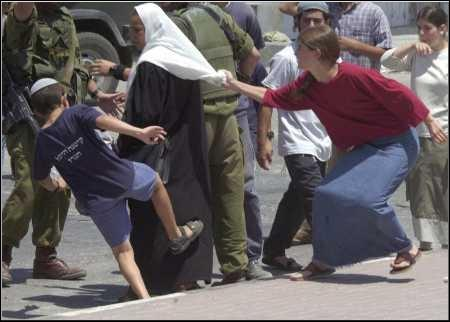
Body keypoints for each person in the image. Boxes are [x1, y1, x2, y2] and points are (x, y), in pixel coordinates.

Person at [222, 24, 447, 279]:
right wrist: (236, 86)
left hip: (396, 144)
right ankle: (323, 261)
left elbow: (401, 94)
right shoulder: (308, 84)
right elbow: (273, 96)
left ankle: (405, 248)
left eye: (300, 48)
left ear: (317, 53)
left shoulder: (354, 76)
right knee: (325, 194)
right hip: (366, 147)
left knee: (369, 199)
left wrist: (429, 120)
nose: (295, 52)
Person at [30, 78, 204, 299]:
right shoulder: (75, 113)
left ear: (37, 112)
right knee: (155, 183)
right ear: (63, 100)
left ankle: (145, 300)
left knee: (123, 251)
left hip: (96, 200)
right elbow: (105, 122)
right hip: (121, 177)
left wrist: (56, 185)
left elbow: (41, 177)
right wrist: (139, 133)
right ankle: (176, 235)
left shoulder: (42, 141)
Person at [1, 2, 120, 285]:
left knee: (60, 187)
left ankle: (46, 256)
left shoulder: (64, 17)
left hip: (62, 114)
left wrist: (97, 93)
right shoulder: (25, 14)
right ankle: (3, 254)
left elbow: (74, 63)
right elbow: (20, 20)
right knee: (29, 186)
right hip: (28, 116)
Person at [116, 3, 231, 296]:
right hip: (184, 151)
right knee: (186, 208)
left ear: (153, 28)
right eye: (131, 30)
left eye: (138, 30)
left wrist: (124, 128)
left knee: (150, 216)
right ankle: (187, 276)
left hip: (156, 151)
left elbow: (146, 113)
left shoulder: (152, 63)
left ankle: (154, 282)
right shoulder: (179, 58)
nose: (133, 36)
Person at [169, 2, 261, 285]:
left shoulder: (176, 23)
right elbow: (253, 55)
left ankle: (193, 271)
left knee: (190, 192)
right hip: (228, 116)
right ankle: (235, 264)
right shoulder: (217, 15)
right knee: (231, 193)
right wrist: (239, 83)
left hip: (198, 120)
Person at [258, 2, 332, 272]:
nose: (311, 26)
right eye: (306, 21)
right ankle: (325, 257)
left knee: (296, 201)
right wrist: (264, 139)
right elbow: (267, 97)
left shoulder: (330, 57)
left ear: (327, 23)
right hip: (296, 141)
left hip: (321, 141)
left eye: (317, 21)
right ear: (297, 24)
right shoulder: (288, 58)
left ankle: (274, 251)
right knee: (316, 198)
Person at [381, 6, 448, 252]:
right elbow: (386, 61)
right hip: (419, 132)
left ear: (443, 29)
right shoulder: (418, 55)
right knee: (422, 190)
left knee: (442, 190)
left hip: (444, 132)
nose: (422, 33)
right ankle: (427, 244)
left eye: (427, 29)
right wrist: (410, 46)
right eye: (419, 28)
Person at [215, 1, 272, 280]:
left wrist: (264, 137)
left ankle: (252, 257)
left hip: (238, 112)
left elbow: (256, 64)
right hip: (202, 111)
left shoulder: (244, 13)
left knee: (246, 186)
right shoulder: (191, 12)